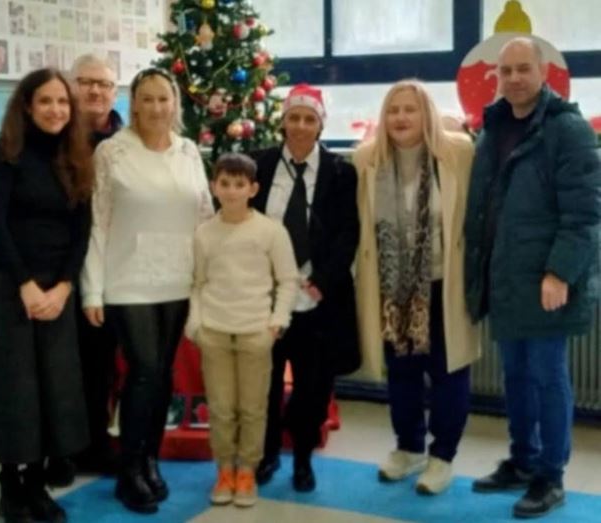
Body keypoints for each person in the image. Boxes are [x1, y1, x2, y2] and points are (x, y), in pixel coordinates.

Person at [464, 37, 601, 519]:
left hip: (546, 281)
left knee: (547, 377)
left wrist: (559, 272)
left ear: (544, 73)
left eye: (524, 69)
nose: (515, 78)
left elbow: (585, 213)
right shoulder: (493, 128)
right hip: (506, 279)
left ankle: (550, 475)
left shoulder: (568, 130)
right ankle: (523, 460)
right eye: (506, 71)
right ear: (497, 77)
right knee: (517, 376)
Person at [80, 67, 213, 514]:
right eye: (147, 99)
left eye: (164, 99)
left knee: (163, 376)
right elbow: (98, 222)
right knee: (144, 371)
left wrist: (209, 280)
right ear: (133, 104)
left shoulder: (188, 151)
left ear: (175, 104)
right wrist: (92, 290)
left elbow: (204, 217)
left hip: (178, 279)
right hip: (128, 281)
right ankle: (129, 470)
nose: (157, 107)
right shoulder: (112, 152)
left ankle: (150, 461)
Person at [0, 67, 94, 523]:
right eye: (45, 101)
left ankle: (38, 483)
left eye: (62, 102)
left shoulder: (76, 156)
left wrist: (63, 287)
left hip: (57, 288)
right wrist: (25, 284)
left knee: (53, 387)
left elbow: (82, 230)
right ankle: (11, 485)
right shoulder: (5, 153)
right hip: (9, 285)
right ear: (27, 105)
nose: (55, 110)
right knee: (14, 387)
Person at [353, 80, 480, 495]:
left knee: (449, 372)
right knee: (402, 374)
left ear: (427, 114)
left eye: (410, 109)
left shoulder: (457, 153)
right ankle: (408, 448)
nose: (401, 118)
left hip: (445, 285)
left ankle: (442, 455)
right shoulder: (366, 159)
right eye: (393, 110)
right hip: (394, 290)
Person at [252, 84, 360, 492]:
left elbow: (349, 232)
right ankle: (266, 454)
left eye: (309, 119)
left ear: (320, 125)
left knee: (313, 386)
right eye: (293, 118)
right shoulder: (259, 165)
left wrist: (323, 281)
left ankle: (302, 458)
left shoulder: (340, 172)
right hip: (266, 296)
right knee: (265, 381)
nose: (300, 126)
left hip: (317, 297)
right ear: (282, 122)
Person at [186, 153, 299, 507]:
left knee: (252, 408)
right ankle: (224, 469)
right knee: (221, 408)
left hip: (255, 334)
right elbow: (197, 283)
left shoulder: (270, 231)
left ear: (253, 189)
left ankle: (247, 470)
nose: (232, 191)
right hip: (215, 333)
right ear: (214, 187)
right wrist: (196, 327)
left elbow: (288, 280)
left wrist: (276, 323)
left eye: (239, 185)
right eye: (225, 184)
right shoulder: (204, 233)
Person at [44, 54, 124, 485]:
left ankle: (95, 444)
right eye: (86, 81)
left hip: (110, 271)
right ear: (72, 87)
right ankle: (59, 451)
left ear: (115, 92)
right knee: (58, 365)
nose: (95, 90)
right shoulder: (54, 136)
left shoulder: (127, 141)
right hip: (57, 269)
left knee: (99, 364)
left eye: (104, 84)